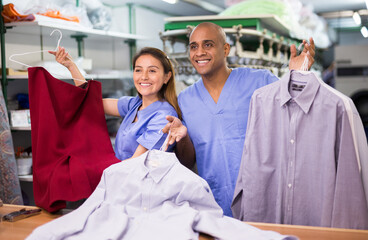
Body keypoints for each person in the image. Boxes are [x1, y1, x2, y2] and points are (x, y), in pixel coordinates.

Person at [162, 22, 315, 217]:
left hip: (264, 199)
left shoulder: (259, 82)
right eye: (194, 46)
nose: (199, 52)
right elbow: (187, 161)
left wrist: (299, 75)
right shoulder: (185, 100)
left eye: (208, 44)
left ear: (226, 49)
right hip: (215, 206)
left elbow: (296, 112)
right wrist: (182, 138)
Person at [49, 46, 181, 161]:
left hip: (142, 184)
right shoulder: (134, 105)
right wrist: (71, 67)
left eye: (152, 71)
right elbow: (91, 103)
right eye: (138, 70)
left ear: (166, 77)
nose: (144, 76)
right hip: (121, 177)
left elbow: (136, 163)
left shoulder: (164, 117)